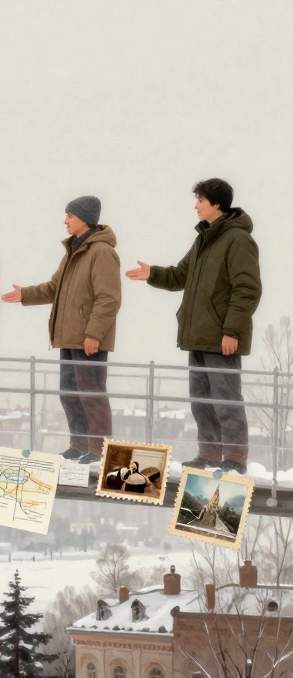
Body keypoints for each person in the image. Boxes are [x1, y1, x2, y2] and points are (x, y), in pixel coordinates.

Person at [126, 179, 261, 474]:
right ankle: (210, 454)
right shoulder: (203, 239)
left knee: (226, 400)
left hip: (222, 337)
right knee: (201, 401)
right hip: (198, 336)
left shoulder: (238, 240)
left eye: (200, 199)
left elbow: (247, 289)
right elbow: (179, 276)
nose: (195, 205)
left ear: (216, 203)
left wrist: (232, 331)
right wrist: (152, 273)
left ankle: (235, 459)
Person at [2, 196, 120, 464]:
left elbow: (108, 298)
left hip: (88, 339)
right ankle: (79, 445)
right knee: (69, 392)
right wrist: (25, 295)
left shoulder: (102, 252)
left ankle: (99, 450)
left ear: (84, 218)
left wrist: (94, 334)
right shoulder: (73, 251)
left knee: (91, 393)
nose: (65, 220)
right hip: (68, 336)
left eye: (69, 215)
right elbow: (55, 287)